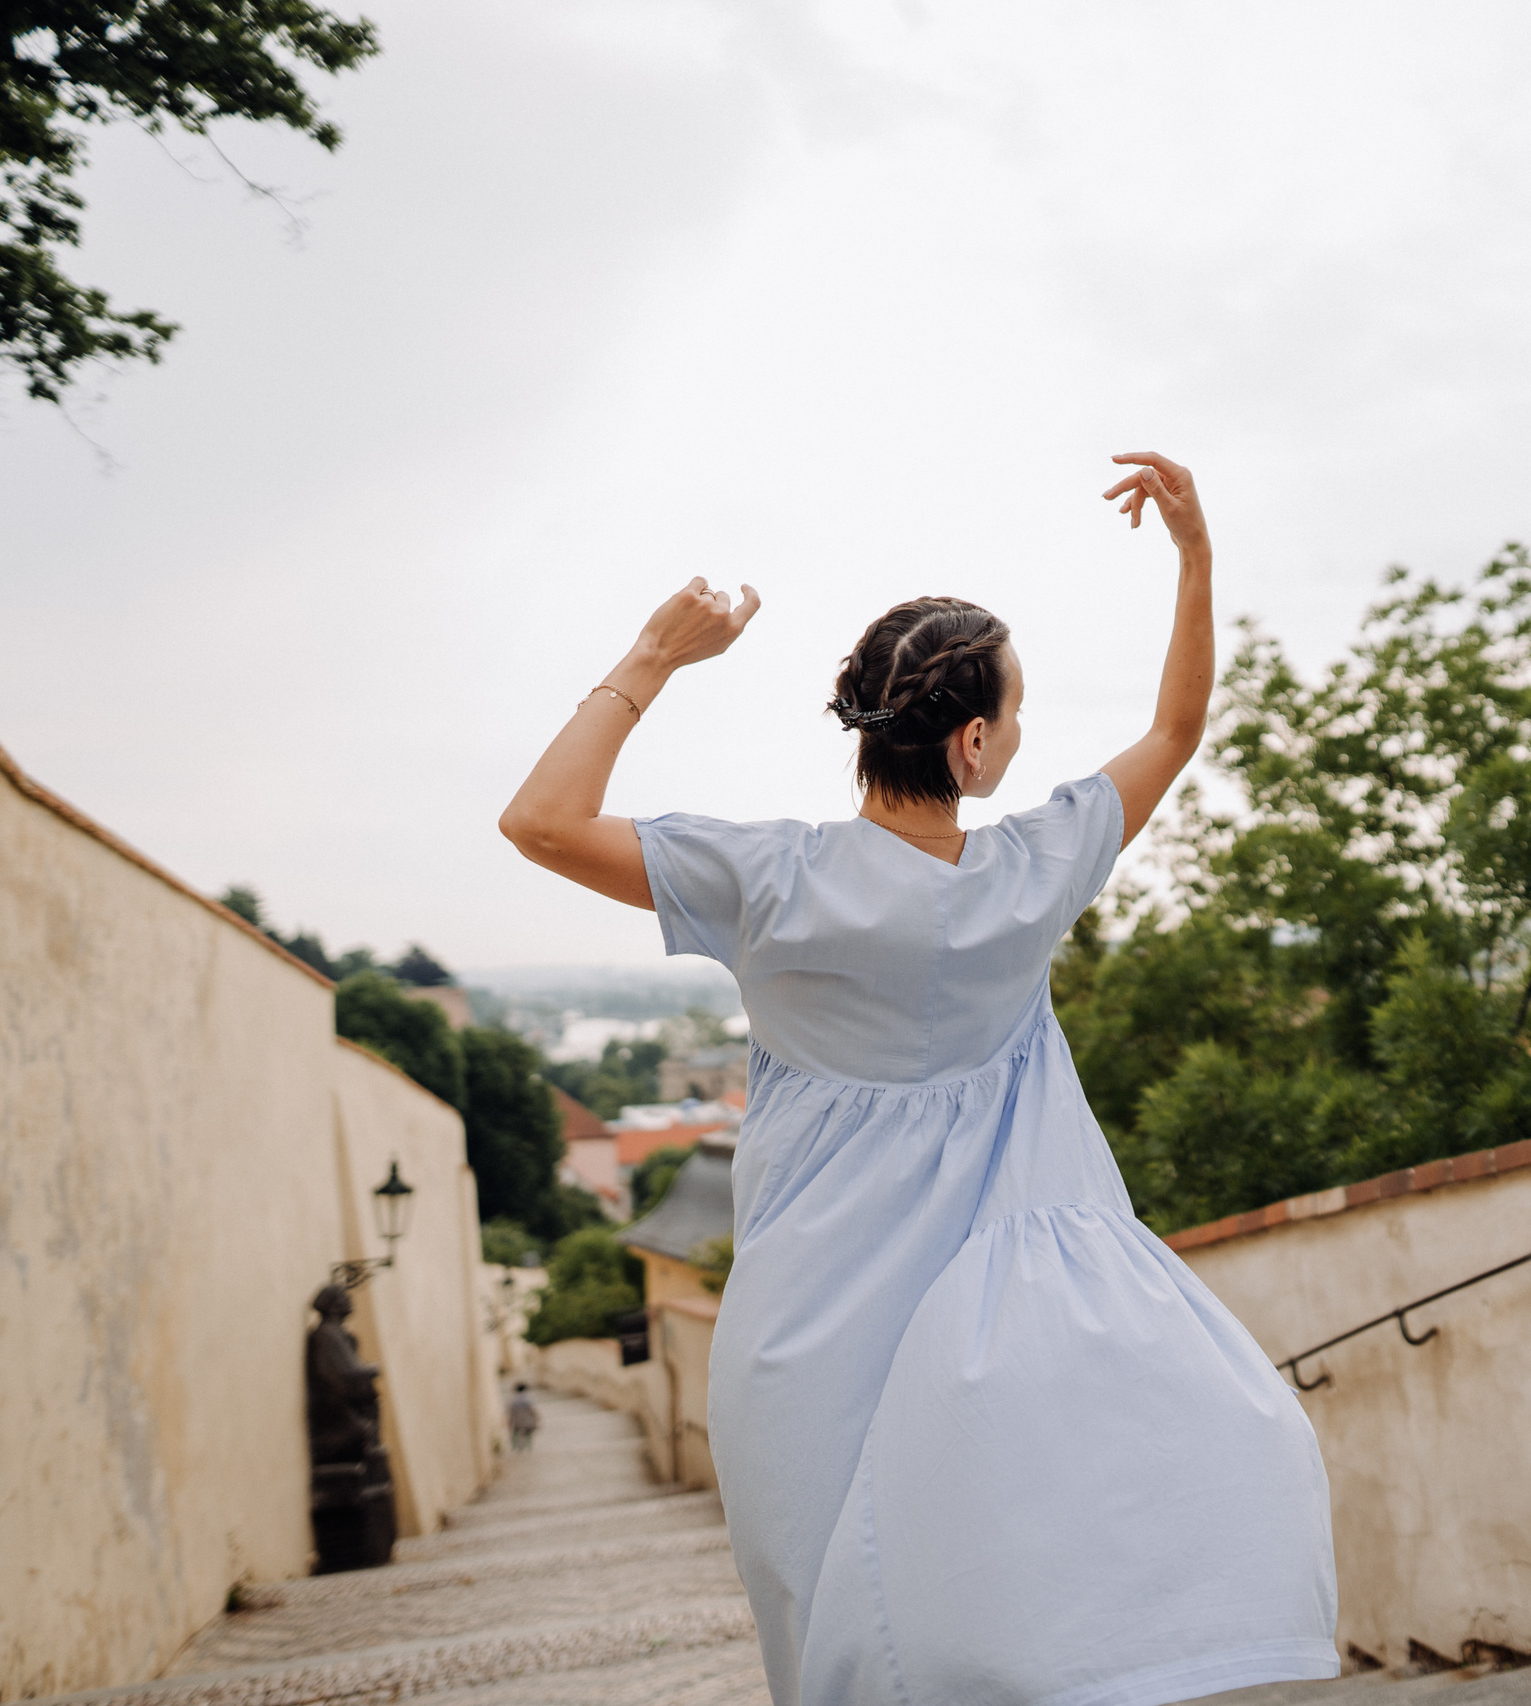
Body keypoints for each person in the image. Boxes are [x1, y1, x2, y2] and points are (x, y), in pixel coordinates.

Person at [499, 453, 1337, 1706]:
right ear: (975, 739)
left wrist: (654, 656)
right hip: (1012, 1331)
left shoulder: (769, 882)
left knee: (834, 1637)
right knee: (1022, 1613)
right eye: (1017, 712)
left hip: (804, 1336)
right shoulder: (1033, 874)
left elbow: (540, 821)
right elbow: (1175, 729)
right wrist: (1195, 553)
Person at [506, 1382, 539, 1451]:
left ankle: (516, 1446)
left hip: (517, 1420)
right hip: (527, 1419)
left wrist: (510, 1420)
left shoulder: (513, 1400)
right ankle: (528, 1446)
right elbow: (531, 1409)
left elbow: (510, 1411)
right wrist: (536, 1416)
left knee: (516, 1433)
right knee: (528, 1433)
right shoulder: (528, 1398)